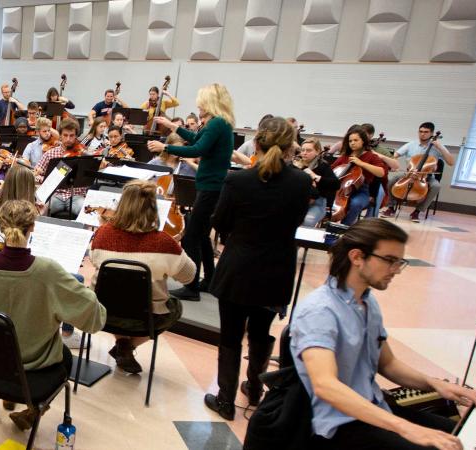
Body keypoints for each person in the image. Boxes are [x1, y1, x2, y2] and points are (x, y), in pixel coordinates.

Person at [291, 219, 476, 449]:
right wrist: (405, 427)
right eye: (390, 261)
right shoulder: (319, 312)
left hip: (373, 407)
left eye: (399, 262)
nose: (396, 270)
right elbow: (325, 385)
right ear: (357, 257)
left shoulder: (367, 301)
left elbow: (389, 363)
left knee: (464, 435)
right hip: (338, 425)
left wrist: (435, 384)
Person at [202, 116, 312, 419]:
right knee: (262, 333)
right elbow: (297, 221)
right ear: (291, 147)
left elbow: (219, 222)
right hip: (276, 268)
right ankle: (254, 387)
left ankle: (225, 400)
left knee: (231, 336)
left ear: (258, 144)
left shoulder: (238, 180)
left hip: (239, 267)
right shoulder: (302, 182)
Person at [0, 199, 106, 430]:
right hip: (34, 365)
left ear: (1, 227)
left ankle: (11, 395)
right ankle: (34, 409)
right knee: (65, 357)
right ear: (33, 228)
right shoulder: (47, 271)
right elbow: (93, 315)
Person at [89, 180, 195, 373]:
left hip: (103, 312)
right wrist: (178, 250)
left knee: (117, 300)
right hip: (147, 319)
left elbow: (93, 258)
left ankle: (122, 343)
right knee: (175, 307)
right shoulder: (164, 242)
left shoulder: (102, 234)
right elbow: (189, 277)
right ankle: (129, 346)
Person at [147, 83, 235, 301]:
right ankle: (209, 280)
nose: (198, 105)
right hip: (211, 186)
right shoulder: (219, 123)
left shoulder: (217, 124)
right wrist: (172, 126)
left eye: (201, 101)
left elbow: (197, 150)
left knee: (191, 237)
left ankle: (192, 286)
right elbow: (197, 140)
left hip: (210, 187)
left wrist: (165, 147)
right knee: (203, 236)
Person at [381, 122, 455, 222]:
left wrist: (440, 147)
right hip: (408, 174)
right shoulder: (411, 144)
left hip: (425, 176)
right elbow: (395, 156)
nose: (422, 134)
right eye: (420, 131)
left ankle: (417, 211)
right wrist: (392, 164)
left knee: (436, 186)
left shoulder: (437, 147)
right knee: (391, 180)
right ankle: (390, 207)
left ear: (432, 133)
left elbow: (451, 162)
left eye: (426, 132)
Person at [331, 125, 388, 226]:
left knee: (355, 204)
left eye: (356, 140)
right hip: (342, 189)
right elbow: (331, 170)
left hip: (363, 190)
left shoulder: (371, 156)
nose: (352, 143)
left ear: (363, 141)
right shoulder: (345, 157)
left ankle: (344, 227)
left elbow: (381, 172)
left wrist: (361, 163)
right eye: (350, 141)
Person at [33, 118, 87, 217]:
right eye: (65, 135)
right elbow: (35, 174)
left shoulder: (83, 154)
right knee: (38, 211)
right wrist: (44, 179)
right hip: (54, 195)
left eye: (72, 136)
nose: (68, 139)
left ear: (76, 136)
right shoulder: (51, 153)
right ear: (60, 136)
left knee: (88, 213)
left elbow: (88, 179)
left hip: (76, 196)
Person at [294, 137, 340, 227]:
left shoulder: (323, 166)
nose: (304, 153)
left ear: (317, 151)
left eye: (309, 150)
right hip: (297, 200)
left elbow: (336, 184)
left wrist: (315, 176)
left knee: (307, 220)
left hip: (317, 202)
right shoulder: (295, 164)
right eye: (303, 150)